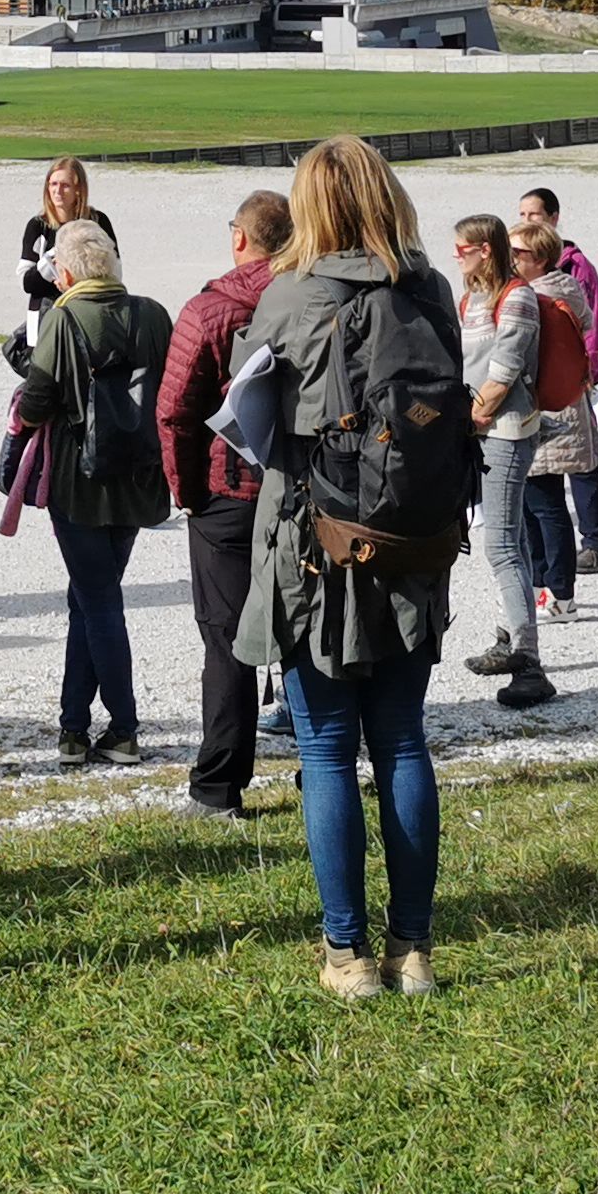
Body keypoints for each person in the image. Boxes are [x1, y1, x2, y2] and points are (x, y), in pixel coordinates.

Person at [232, 136, 463, 1001]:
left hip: (316, 547)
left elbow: (249, 418)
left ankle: (347, 955)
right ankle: (413, 951)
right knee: (402, 739)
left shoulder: (291, 293)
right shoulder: (429, 290)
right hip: (412, 548)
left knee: (327, 749)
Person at [15, 218, 172, 765]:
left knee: (98, 599)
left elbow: (36, 402)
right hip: (139, 475)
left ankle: (124, 727)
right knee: (88, 595)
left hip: (80, 482)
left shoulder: (63, 319)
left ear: (65, 273)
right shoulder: (153, 314)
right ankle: (74, 727)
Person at [160, 189, 288, 812]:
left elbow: (175, 413)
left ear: (239, 236)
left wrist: (188, 493)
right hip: (300, 488)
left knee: (228, 639)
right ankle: (325, 765)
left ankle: (218, 786)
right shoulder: (312, 299)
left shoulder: (210, 309)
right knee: (305, 627)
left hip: (229, 494)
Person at [450, 214, 551, 708]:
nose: (457, 257)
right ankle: (509, 638)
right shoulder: (472, 298)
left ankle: (528, 663)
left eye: (462, 249)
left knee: (501, 546)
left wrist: (468, 420)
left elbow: (503, 374)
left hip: (506, 432)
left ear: (484, 250)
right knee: (513, 540)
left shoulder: (517, 298)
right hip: (484, 431)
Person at [518, 185, 598, 572]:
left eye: (534, 214)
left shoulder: (576, 268)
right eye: (522, 214)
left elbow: (592, 322)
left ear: (553, 218)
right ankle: (549, 560)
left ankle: (596, 541)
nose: (527, 220)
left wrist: (590, 369)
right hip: (544, 386)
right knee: (549, 472)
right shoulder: (523, 271)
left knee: (582, 463)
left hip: (572, 379)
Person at [17, 157, 104, 337]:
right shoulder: (38, 226)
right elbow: (26, 282)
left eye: (65, 185)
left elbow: (113, 273)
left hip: (87, 315)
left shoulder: (97, 223)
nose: (58, 191)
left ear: (79, 189)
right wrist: (53, 259)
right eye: (53, 184)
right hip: (44, 317)